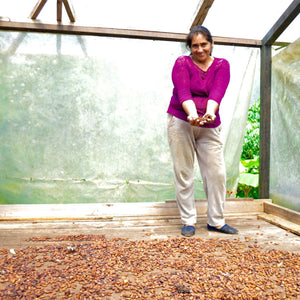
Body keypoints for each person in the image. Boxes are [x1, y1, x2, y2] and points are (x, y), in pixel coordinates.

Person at [167, 25, 238, 237]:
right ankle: (188, 221)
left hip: (210, 123)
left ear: (211, 44)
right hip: (181, 120)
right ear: (190, 47)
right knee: (184, 171)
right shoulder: (182, 63)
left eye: (204, 44)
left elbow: (217, 92)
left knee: (216, 173)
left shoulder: (222, 65)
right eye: (195, 45)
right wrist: (190, 115)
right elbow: (183, 91)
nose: (199, 49)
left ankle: (216, 221)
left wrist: (209, 114)